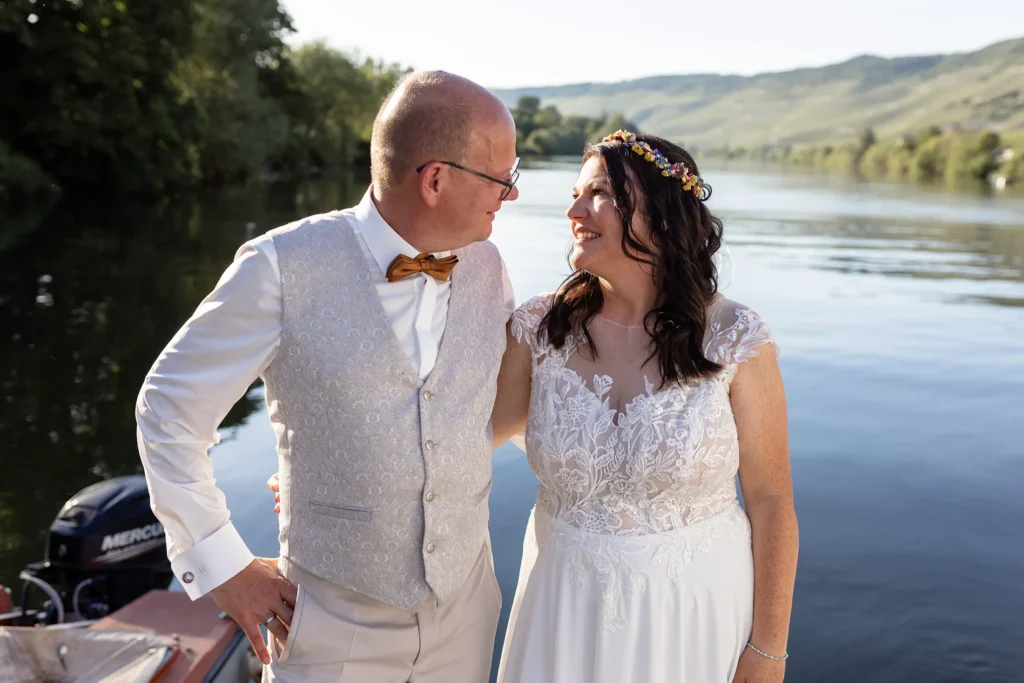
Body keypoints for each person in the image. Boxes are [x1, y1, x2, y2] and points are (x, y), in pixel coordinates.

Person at [135, 70, 520, 683]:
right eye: (503, 178)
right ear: (436, 179)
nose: (512, 194)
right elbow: (167, 409)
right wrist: (224, 565)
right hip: (327, 628)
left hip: (465, 617)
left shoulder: (489, 266)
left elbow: (470, 410)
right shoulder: (280, 266)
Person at [489, 131, 799, 682]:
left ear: (661, 213)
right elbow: (458, 442)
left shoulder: (735, 338)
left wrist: (769, 650)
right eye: (577, 192)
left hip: (693, 614)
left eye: (600, 193)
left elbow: (772, 500)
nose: (575, 210)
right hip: (561, 611)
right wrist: (331, 474)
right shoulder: (539, 331)